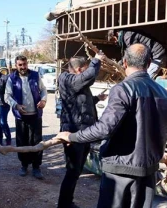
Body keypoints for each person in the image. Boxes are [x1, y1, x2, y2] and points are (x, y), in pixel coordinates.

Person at [53, 44, 167, 208]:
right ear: (149, 62)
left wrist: (71, 136)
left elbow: (104, 128)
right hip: (148, 171)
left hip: (120, 170)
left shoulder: (123, 89)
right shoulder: (165, 93)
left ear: (124, 62)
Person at [57, 55, 107, 208]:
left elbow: (81, 102)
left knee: (76, 171)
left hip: (83, 134)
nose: (85, 73)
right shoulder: (67, 78)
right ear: (79, 70)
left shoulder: (76, 82)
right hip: (72, 134)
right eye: (84, 70)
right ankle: (64, 204)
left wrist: (97, 98)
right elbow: (88, 76)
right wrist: (96, 60)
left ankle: (67, 202)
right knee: (72, 172)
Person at [5, 55, 47, 179]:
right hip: (21, 117)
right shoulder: (11, 78)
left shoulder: (35, 75)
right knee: (22, 142)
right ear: (16, 65)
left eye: (24, 64)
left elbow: (43, 90)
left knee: (36, 142)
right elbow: (7, 96)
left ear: (27, 63)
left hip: (35, 115)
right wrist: (16, 105)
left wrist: (43, 100)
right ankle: (24, 165)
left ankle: (36, 167)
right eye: (20, 65)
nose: (23, 67)